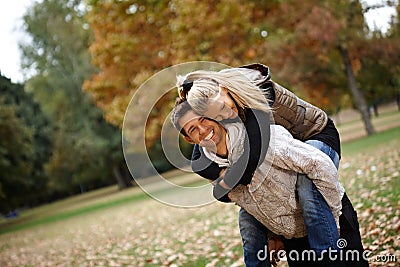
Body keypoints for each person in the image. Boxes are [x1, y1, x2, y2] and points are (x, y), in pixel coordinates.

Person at [176, 64, 368, 267]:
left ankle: (328, 257)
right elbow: (199, 161)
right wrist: (221, 175)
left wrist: (225, 185)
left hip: (315, 135)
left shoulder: (258, 93)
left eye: (222, 107)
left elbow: (253, 157)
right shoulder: (226, 104)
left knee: (307, 186)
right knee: (256, 207)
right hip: (288, 147)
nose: (226, 116)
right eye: (217, 116)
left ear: (223, 88)